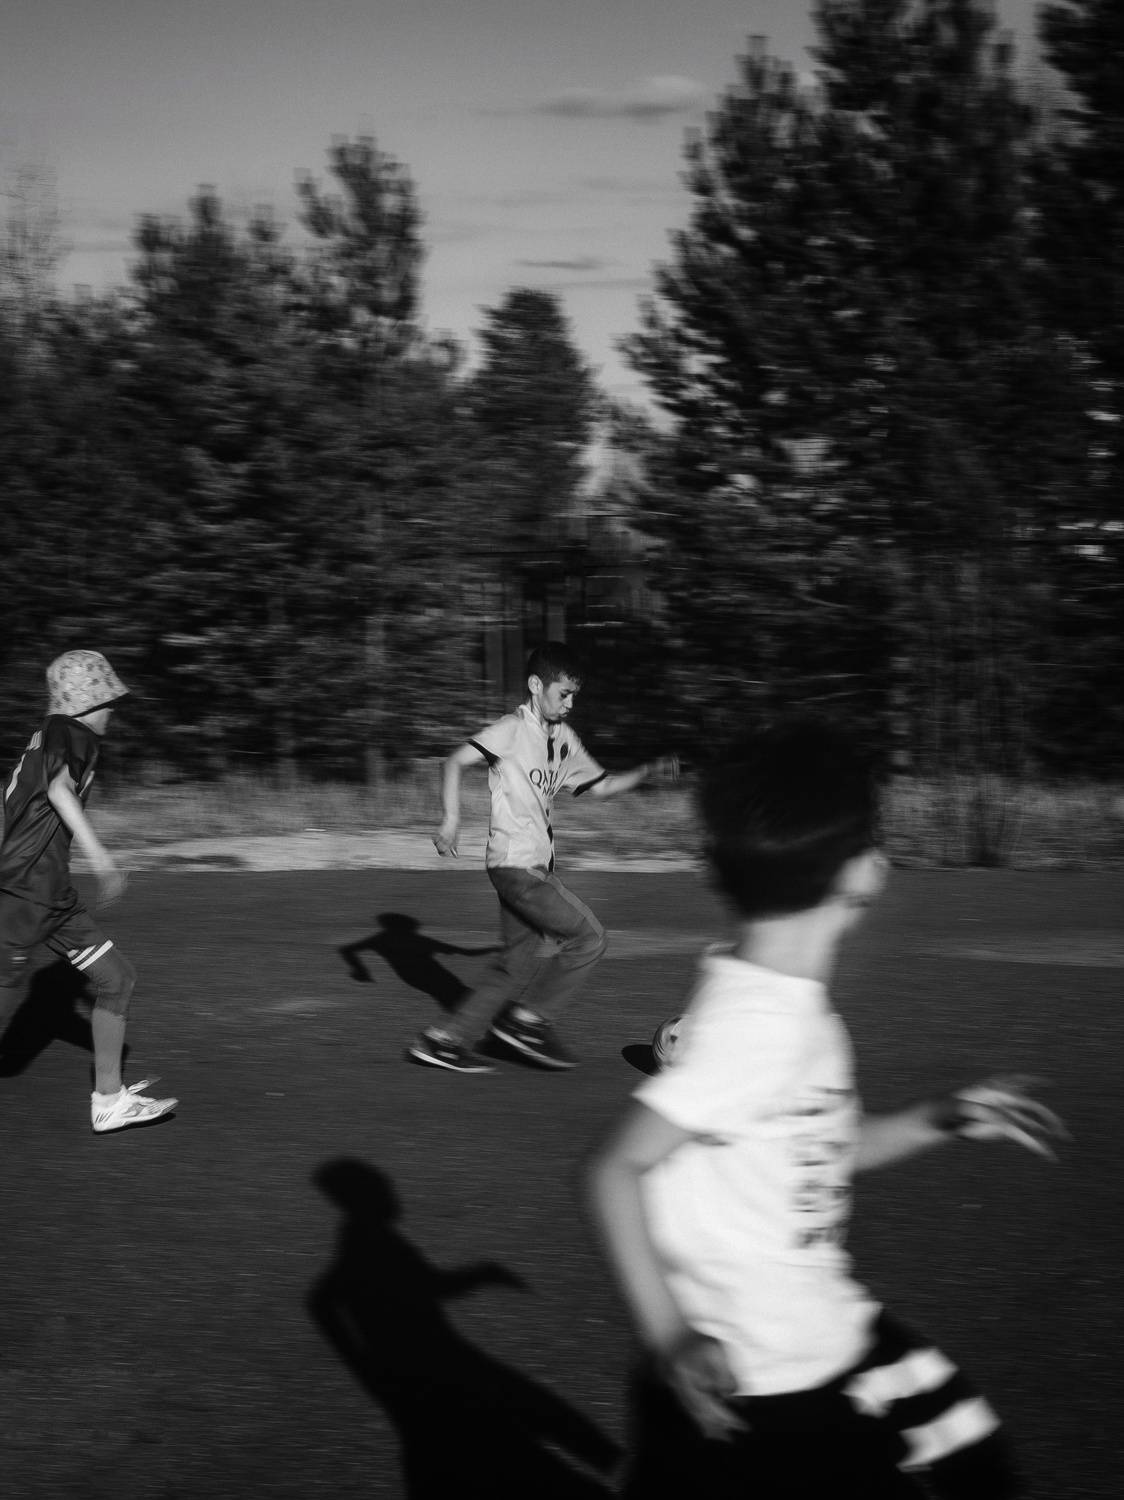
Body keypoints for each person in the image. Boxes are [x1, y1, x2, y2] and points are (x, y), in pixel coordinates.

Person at [587, 717, 1067, 1499]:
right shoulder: (760, 1030)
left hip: (819, 1336)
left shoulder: (779, 1007)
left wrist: (938, 1118)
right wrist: (670, 1335)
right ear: (863, 872)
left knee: (975, 1460)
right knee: (975, 1471)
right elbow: (616, 1169)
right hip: (765, 1377)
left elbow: (819, 1149)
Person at [407, 641, 678, 1074]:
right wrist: (450, 820)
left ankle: (443, 1041)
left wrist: (648, 771)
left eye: (574, 696)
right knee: (589, 937)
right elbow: (454, 762)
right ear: (536, 685)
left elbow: (603, 786)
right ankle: (528, 1021)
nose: (570, 704)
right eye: (563, 694)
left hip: (524, 868)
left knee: (513, 965)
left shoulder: (564, 740)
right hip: (517, 865)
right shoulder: (511, 730)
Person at [0, 650, 177, 1133]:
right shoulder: (71, 732)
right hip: (25, 893)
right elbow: (59, 791)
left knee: (117, 979)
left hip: (51, 894)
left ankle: (109, 1101)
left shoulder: (48, 735)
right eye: (106, 700)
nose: (112, 709)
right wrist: (102, 860)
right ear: (85, 701)